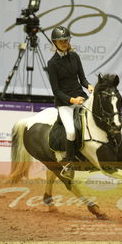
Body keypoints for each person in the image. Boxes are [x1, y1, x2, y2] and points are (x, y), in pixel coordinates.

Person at [47, 26, 94, 180]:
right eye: (60, 41)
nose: (64, 43)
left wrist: (88, 86)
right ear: (55, 42)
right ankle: (68, 165)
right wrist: (71, 100)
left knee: (96, 119)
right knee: (71, 132)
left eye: (66, 40)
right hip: (64, 103)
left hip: (80, 97)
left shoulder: (75, 56)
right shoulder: (52, 63)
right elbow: (56, 91)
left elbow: (82, 79)